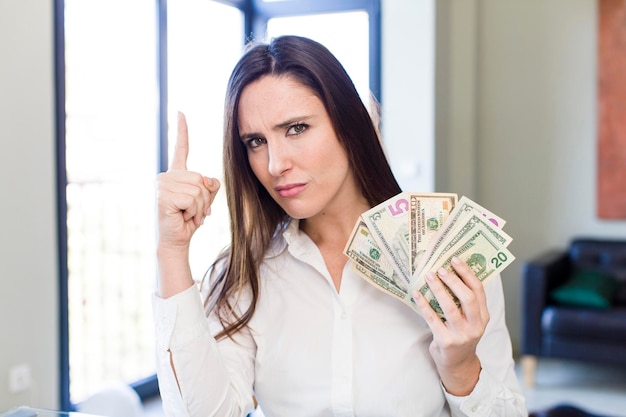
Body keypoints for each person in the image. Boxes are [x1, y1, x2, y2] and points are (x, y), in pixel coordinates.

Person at [153, 35, 527, 417]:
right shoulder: (242, 275)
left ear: (351, 126)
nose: (274, 163)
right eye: (255, 141)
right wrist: (171, 250)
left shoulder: (451, 260)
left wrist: (461, 367)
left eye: (296, 128)